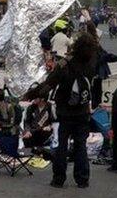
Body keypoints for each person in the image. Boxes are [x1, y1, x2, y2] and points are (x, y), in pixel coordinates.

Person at [24, 32, 100, 188]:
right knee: (80, 146)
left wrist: (31, 94)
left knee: (61, 146)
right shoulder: (91, 63)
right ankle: (82, 179)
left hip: (65, 111)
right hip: (83, 111)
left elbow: (48, 84)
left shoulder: (64, 64)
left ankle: (59, 178)